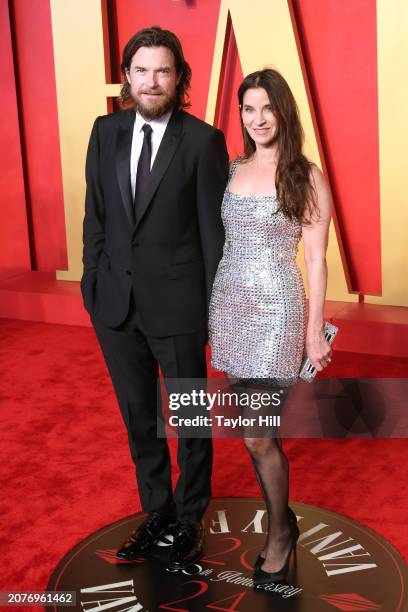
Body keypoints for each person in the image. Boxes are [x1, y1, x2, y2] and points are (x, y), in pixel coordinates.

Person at [80, 26, 229, 570]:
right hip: (115, 305)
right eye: (141, 70)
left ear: (179, 77)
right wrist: (92, 282)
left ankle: (189, 521)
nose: (151, 81)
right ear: (126, 76)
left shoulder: (202, 141)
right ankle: (157, 514)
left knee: (189, 421)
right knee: (138, 418)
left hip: (180, 308)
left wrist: (215, 315)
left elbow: (215, 237)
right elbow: (95, 214)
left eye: (162, 71)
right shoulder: (106, 130)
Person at [209, 68, 332, 586]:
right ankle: (283, 523)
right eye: (248, 109)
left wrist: (312, 332)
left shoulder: (305, 175)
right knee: (253, 433)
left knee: (258, 437)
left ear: (283, 111)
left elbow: (318, 259)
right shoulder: (234, 167)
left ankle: (281, 533)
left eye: (267, 108)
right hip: (230, 309)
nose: (258, 119)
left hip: (276, 312)